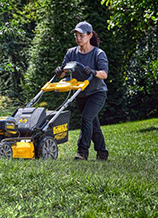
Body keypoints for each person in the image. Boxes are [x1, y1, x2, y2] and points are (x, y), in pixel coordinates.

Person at [54, 21, 109, 161]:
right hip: (80, 93)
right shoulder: (71, 53)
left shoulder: (98, 53)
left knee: (86, 119)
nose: (78, 38)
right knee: (92, 123)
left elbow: (104, 74)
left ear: (90, 35)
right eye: (76, 36)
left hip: (97, 93)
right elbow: (63, 72)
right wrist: (59, 71)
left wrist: (93, 71)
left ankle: (82, 152)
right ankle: (102, 152)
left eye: (81, 35)